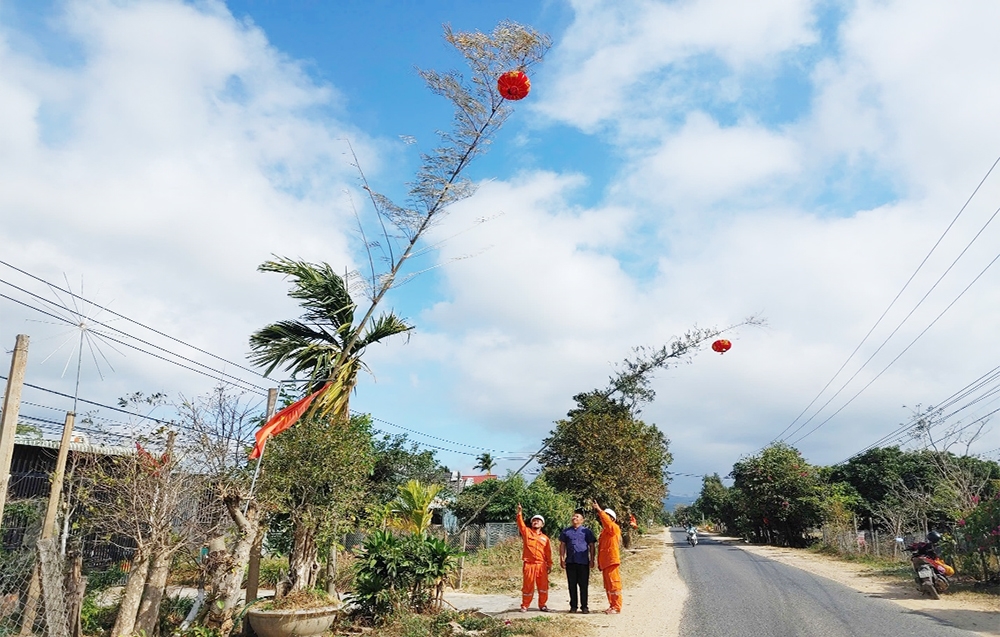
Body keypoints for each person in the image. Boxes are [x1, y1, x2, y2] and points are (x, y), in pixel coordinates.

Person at [515, 503, 552, 612]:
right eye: (534, 520)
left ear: (542, 524)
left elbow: (548, 553)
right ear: (531, 523)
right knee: (528, 586)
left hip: (541, 565)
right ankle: (525, 605)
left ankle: (542, 605)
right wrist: (519, 513)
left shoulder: (545, 538)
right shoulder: (527, 533)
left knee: (543, 587)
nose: (535, 522)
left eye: (538, 521)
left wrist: (549, 564)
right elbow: (521, 524)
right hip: (529, 564)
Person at [558, 510, 597, 614]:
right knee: (572, 585)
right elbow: (562, 545)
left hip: (583, 562)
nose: (574, 518)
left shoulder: (586, 532)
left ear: (582, 520)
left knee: (583, 585)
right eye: (573, 517)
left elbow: (592, 546)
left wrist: (592, 559)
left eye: (577, 517)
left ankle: (584, 606)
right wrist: (561, 558)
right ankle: (573, 606)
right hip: (570, 562)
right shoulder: (566, 531)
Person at [591, 500, 622, 614]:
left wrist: (599, 510)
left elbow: (607, 522)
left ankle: (616, 606)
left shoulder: (613, 528)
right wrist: (600, 563)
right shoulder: (605, 532)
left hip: (612, 561)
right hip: (606, 562)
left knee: (614, 584)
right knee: (608, 586)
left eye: (606, 516)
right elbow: (602, 549)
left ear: (612, 519)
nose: (603, 518)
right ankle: (612, 605)